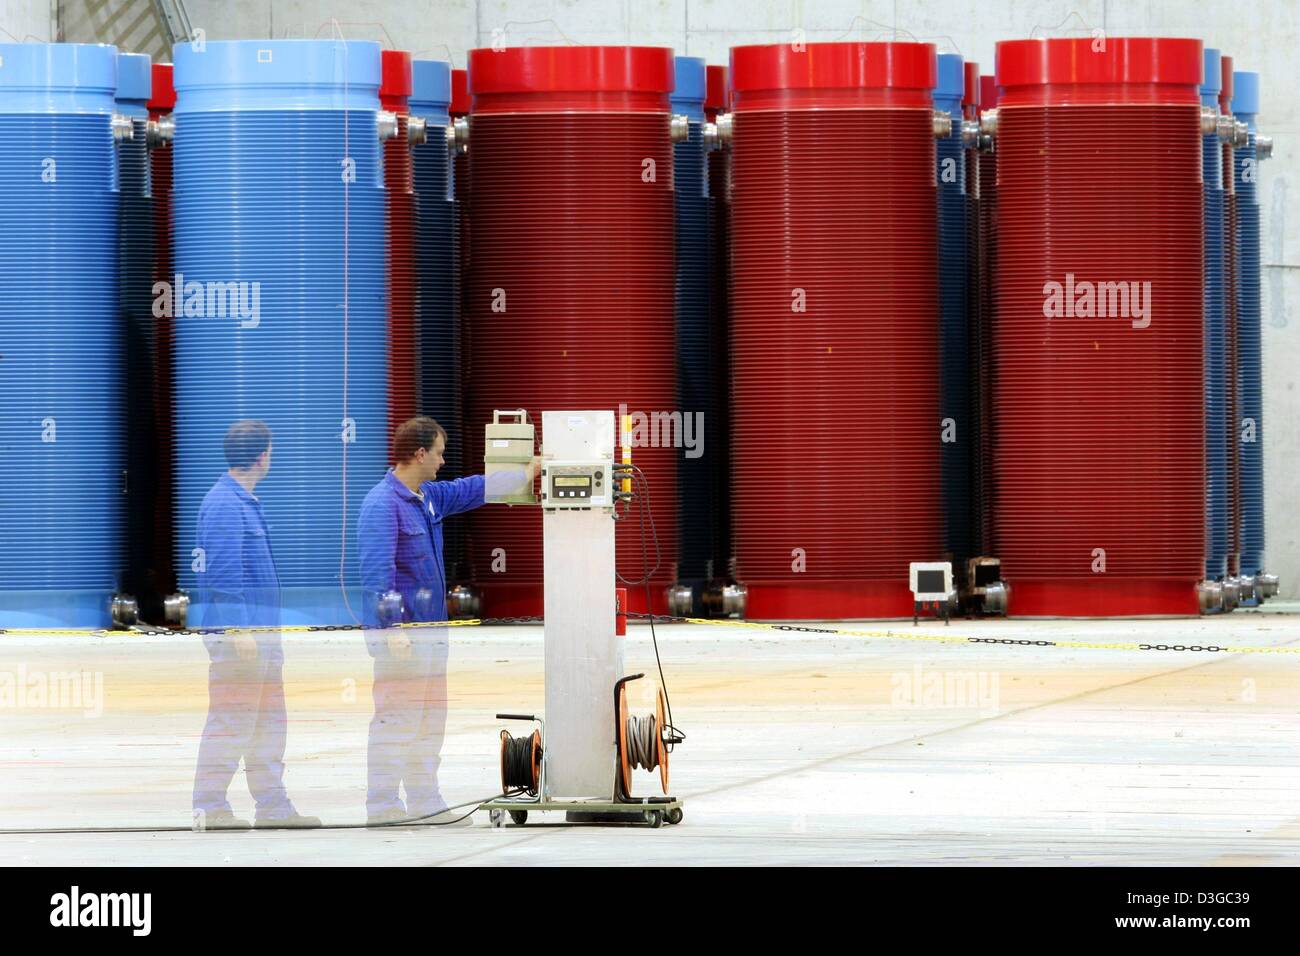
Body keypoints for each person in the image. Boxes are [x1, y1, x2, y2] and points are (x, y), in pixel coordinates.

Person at [357, 416, 535, 825]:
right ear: (419, 453)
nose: (441, 461)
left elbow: (473, 488)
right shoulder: (382, 505)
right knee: (397, 719)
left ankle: (423, 799)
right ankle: (382, 806)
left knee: (428, 719)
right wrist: (391, 628)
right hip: (404, 639)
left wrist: (528, 471)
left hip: (432, 635)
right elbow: (375, 575)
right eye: (438, 452)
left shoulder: (428, 496)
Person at [191, 420, 320, 830]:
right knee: (233, 719)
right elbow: (223, 573)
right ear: (263, 456)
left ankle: (272, 807)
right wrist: (237, 629)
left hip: (261, 635)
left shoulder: (243, 501)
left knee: (266, 721)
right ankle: (209, 807)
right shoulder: (225, 504)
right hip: (242, 639)